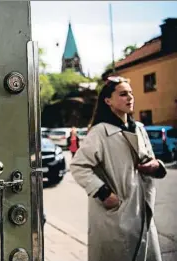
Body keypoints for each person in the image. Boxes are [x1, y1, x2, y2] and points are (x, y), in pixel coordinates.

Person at [70, 76, 167, 261]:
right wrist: (104, 193)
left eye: (131, 93)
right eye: (123, 94)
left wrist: (156, 166)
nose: (130, 97)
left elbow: (150, 158)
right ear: (108, 101)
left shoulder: (138, 128)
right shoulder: (100, 132)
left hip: (142, 209)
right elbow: (78, 166)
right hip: (116, 215)